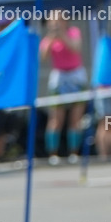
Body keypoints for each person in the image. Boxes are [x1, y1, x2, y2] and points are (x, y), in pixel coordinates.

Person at [39, 15, 87, 164]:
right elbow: (44, 58)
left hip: (76, 76)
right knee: (56, 118)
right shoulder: (47, 39)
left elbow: (75, 48)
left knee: (75, 117)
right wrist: (52, 38)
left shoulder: (73, 32)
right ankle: (53, 153)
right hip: (59, 77)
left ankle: (74, 152)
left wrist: (62, 36)